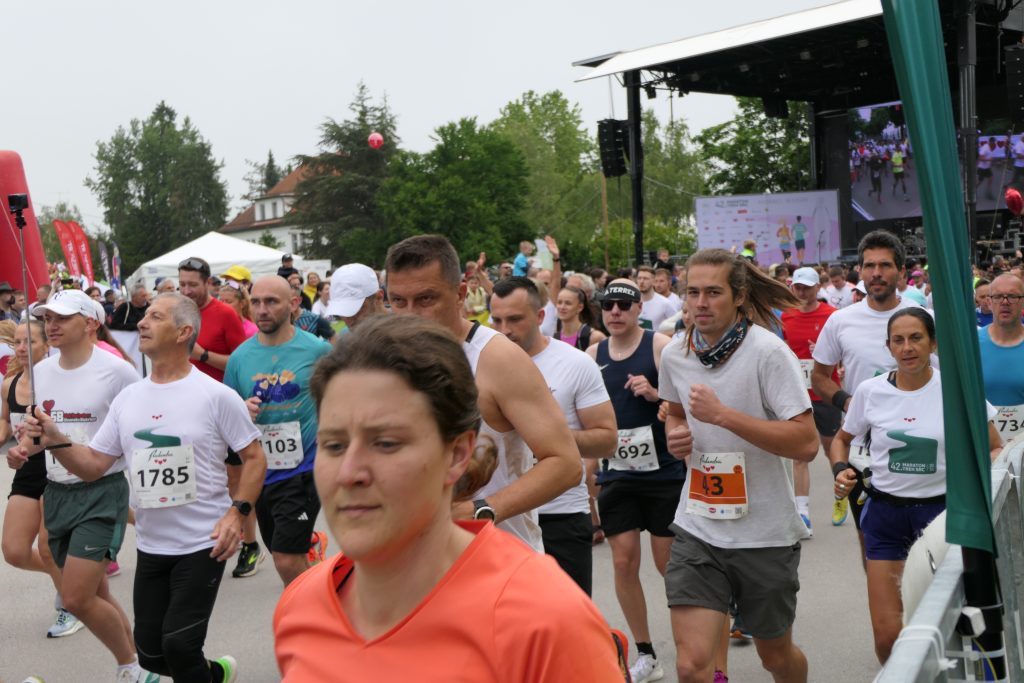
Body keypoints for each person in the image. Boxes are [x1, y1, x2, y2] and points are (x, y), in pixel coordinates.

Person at [273, 315, 625, 682]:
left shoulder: (544, 620)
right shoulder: (300, 606)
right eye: (333, 445)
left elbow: (567, 461)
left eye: (386, 443)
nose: (349, 473)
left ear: (457, 455)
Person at [17, 292, 268, 682]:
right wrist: (56, 440)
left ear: (184, 332)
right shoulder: (128, 399)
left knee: (180, 646)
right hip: (152, 545)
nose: (141, 323)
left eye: (156, 317)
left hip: (204, 542)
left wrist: (238, 513)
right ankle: (213, 674)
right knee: (151, 654)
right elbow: (94, 466)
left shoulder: (217, 396)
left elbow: (254, 458)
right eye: (144, 315)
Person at [659, 248, 817, 683]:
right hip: (698, 526)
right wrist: (676, 433)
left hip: (764, 534)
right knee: (692, 666)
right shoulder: (675, 354)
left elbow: (806, 443)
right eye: (693, 292)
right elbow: (676, 412)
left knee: (776, 658)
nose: (701, 303)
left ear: (739, 296)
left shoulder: (768, 353)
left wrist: (724, 416)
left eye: (713, 292)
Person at [384, 234, 581, 553]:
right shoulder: (385, 362)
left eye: (425, 299)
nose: (410, 314)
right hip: (417, 561)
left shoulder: (497, 359)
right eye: (397, 301)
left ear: (460, 294)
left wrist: (481, 510)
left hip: (500, 560)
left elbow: (566, 464)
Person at [832, 308, 1001, 663]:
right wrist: (841, 469)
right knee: (888, 637)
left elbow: (994, 446)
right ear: (889, 347)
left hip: (941, 517)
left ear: (933, 343)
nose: (907, 347)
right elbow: (842, 439)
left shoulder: (956, 388)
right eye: (898, 340)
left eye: (916, 338)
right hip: (885, 517)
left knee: (946, 626)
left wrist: (981, 485)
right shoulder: (870, 391)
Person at [7, 290, 153, 680]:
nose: (51, 326)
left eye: (62, 318)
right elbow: (38, 432)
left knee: (74, 597)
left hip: (101, 491)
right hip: (55, 492)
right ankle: (141, 665)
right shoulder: (42, 372)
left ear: (90, 323)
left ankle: (130, 668)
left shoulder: (118, 371)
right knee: (95, 595)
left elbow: (139, 431)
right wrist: (22, 450)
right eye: (47, 318)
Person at [489, 278, 617, 595]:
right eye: (496, 320)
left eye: (514, 319)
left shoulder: (575, 363)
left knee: (567, 619)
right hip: (503, 517)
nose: (504, 330)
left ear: (540, 316)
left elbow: (607, 440)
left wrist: (548, 437)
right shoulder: (480, 364)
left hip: (561, 513)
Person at [587, 279, 683, 683]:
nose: (615, 312)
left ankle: (693, 640)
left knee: (668, 565)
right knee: (623, 562)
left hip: (663, 473)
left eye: (623, 305)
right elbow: (586, 414)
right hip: (618, 473)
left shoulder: (659, 346)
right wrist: (589, 465)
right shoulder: (592, 355)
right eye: (608, 305)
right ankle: (645, 652)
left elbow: (685, 401)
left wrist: (655, 394)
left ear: (638, 309)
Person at [812, 230, 923, 540]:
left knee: (923, 543)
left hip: (917, 446)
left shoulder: (924, 319)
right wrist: (849, 402)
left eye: (885, 265)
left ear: (901, 271)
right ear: (859, 271)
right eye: (870, 265)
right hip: (863, 451)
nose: (877, 273)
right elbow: (819, 377)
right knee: (873, 543)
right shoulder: (841, 320)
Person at [225, 276, 333, 586]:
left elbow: (342, 397)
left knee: (286, 559)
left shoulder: (317, 351)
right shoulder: (239, 358)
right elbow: (226, 415)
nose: (262, 309)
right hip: (261, 472)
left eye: (271, 302)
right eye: (256, 302)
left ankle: (307, 613)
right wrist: (241, 410)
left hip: (304, 468)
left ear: (293, 304)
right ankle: (311, 549)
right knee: (280, 551)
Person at [1, 320, 68, 635]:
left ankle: (71, 604)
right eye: (17, 342)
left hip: (58, 467)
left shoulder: (58, 382)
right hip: (26, 468)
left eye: (29, 342)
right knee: (14, 551)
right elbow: (5, 420)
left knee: (47, 547)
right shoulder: (9, 384)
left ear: (46, 345)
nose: (22, 348)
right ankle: (74, 581)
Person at [781, 267, 842, 535]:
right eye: (798, 287)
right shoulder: (786, 315)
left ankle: (841, 497)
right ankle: (802, 513)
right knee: (799, 455)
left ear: (818, 288)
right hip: (797, 393)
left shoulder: (832, 316)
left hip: (825, 392)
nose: (802, 292)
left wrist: (831, 359)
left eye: (807, 287)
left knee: (831, 450)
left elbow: (842, 349)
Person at [177, 257, 248, 383]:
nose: (186, 291)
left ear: (208, 282)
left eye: (193, 285)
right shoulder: (177, 311)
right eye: (182, 284)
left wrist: (203, 355)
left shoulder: (226, 313)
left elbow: (243, 364)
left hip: (219, 393)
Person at [977, 274, 1024, 443]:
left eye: (1012, 296)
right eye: (998, 296)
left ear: (1022, 301)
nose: (1005, 302)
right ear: (989, 302)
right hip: (984, 446)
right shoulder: (973, 344)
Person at [326, 263, 384, 331]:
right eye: (342, 311)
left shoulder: (394, 331)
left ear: (379, 297)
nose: (349, 320)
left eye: (358, 309)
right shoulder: (345, 334)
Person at [554, 285, 606, 351]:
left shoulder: (594, 337)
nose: (562, 307)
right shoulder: (554, 338)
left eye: (568, 303)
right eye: (559, 302)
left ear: (580, 307)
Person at [635, 266, 677, 332]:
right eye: (639, 278)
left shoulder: (665, 303)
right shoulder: (631, 302)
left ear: (653, 281)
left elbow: (677, 328)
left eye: (645, 279)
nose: (641, 281)